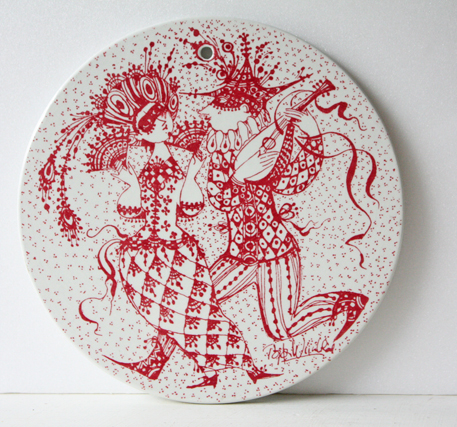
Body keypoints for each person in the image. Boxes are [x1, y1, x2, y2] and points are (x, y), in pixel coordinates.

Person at [86, 66, 279, 388]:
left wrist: (191, 177)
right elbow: (130, 211)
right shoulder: (137, 161)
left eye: (168, 122)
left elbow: (191, 207)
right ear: (145, 131)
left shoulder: (183, 159)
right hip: (144, 252)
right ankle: (208, 371)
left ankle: (244, 366)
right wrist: (132, 183)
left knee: (201, 310)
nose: (169, 126)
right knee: (169, 313)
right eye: (161, 124)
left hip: (177, 249)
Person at [183, 33, 369, 342]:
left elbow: (295, 180)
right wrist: (224, 175)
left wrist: (311, 134)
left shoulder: (267, 151)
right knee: (195, 303)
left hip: (276, 253)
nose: (208, 113)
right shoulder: (222, 153)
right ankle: (161, 357)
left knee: (282, 329)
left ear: (243, 112)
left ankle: (347, 303)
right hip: (238, 255)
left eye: (218, 107)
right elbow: (220, 199)